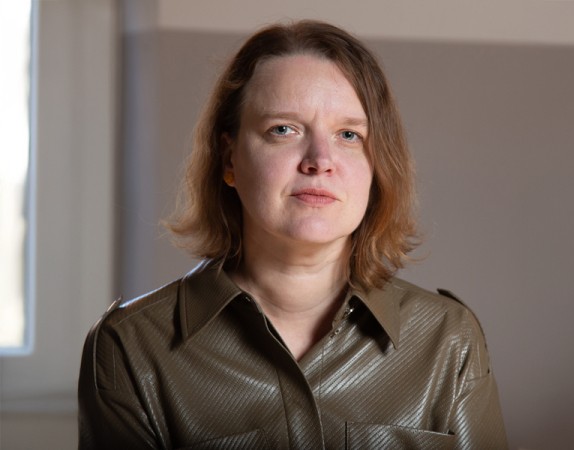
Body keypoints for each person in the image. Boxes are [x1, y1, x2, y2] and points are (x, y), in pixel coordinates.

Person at [78, 20, 507, 449]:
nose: (320, 160)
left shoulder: (449, 339)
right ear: (229, 158)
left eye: (349, 135)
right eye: (283, 129)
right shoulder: (131, 347)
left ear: (377, 165)